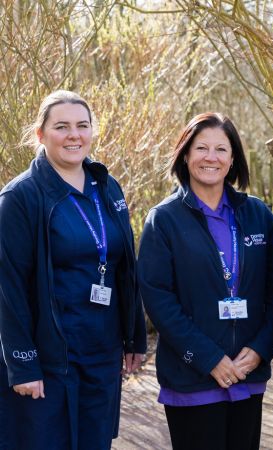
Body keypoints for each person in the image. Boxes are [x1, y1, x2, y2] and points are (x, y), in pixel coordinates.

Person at [137, 112, 273, 450]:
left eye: (221, 149)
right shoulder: (163, 220)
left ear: (233, 157)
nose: (212, 157)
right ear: (185, 155)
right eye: (202, 148)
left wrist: (261, 350)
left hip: (246, 374)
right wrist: (209, 359)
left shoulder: (257, 214)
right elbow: (158, 299)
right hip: (192, 379)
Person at [0, 90, 146, 450]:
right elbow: (8, 287)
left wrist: (134, 337)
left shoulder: (107, 187)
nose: (73, 135)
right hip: (48, 359)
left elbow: (125, 268)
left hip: (102, 353)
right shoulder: (20, 197)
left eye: (82, 126)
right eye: (61, 126)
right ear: (40, 134)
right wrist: (23, 364)